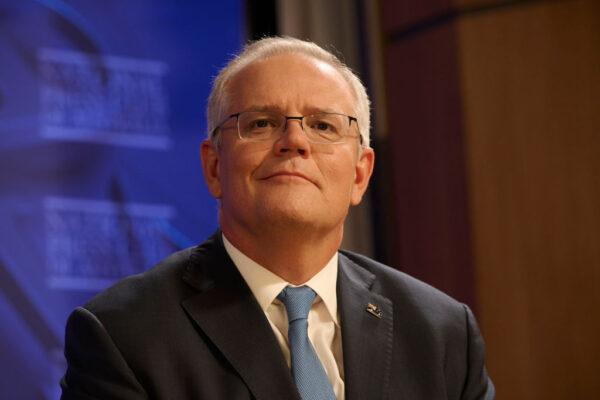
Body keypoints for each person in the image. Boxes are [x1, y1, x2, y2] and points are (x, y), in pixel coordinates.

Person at [60, 37, 494, 400]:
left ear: (360, 174)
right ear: (214, 167)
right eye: (262, 123)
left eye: (324, 126)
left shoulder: (441, 333)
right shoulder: (122, 334)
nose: (294, 141)